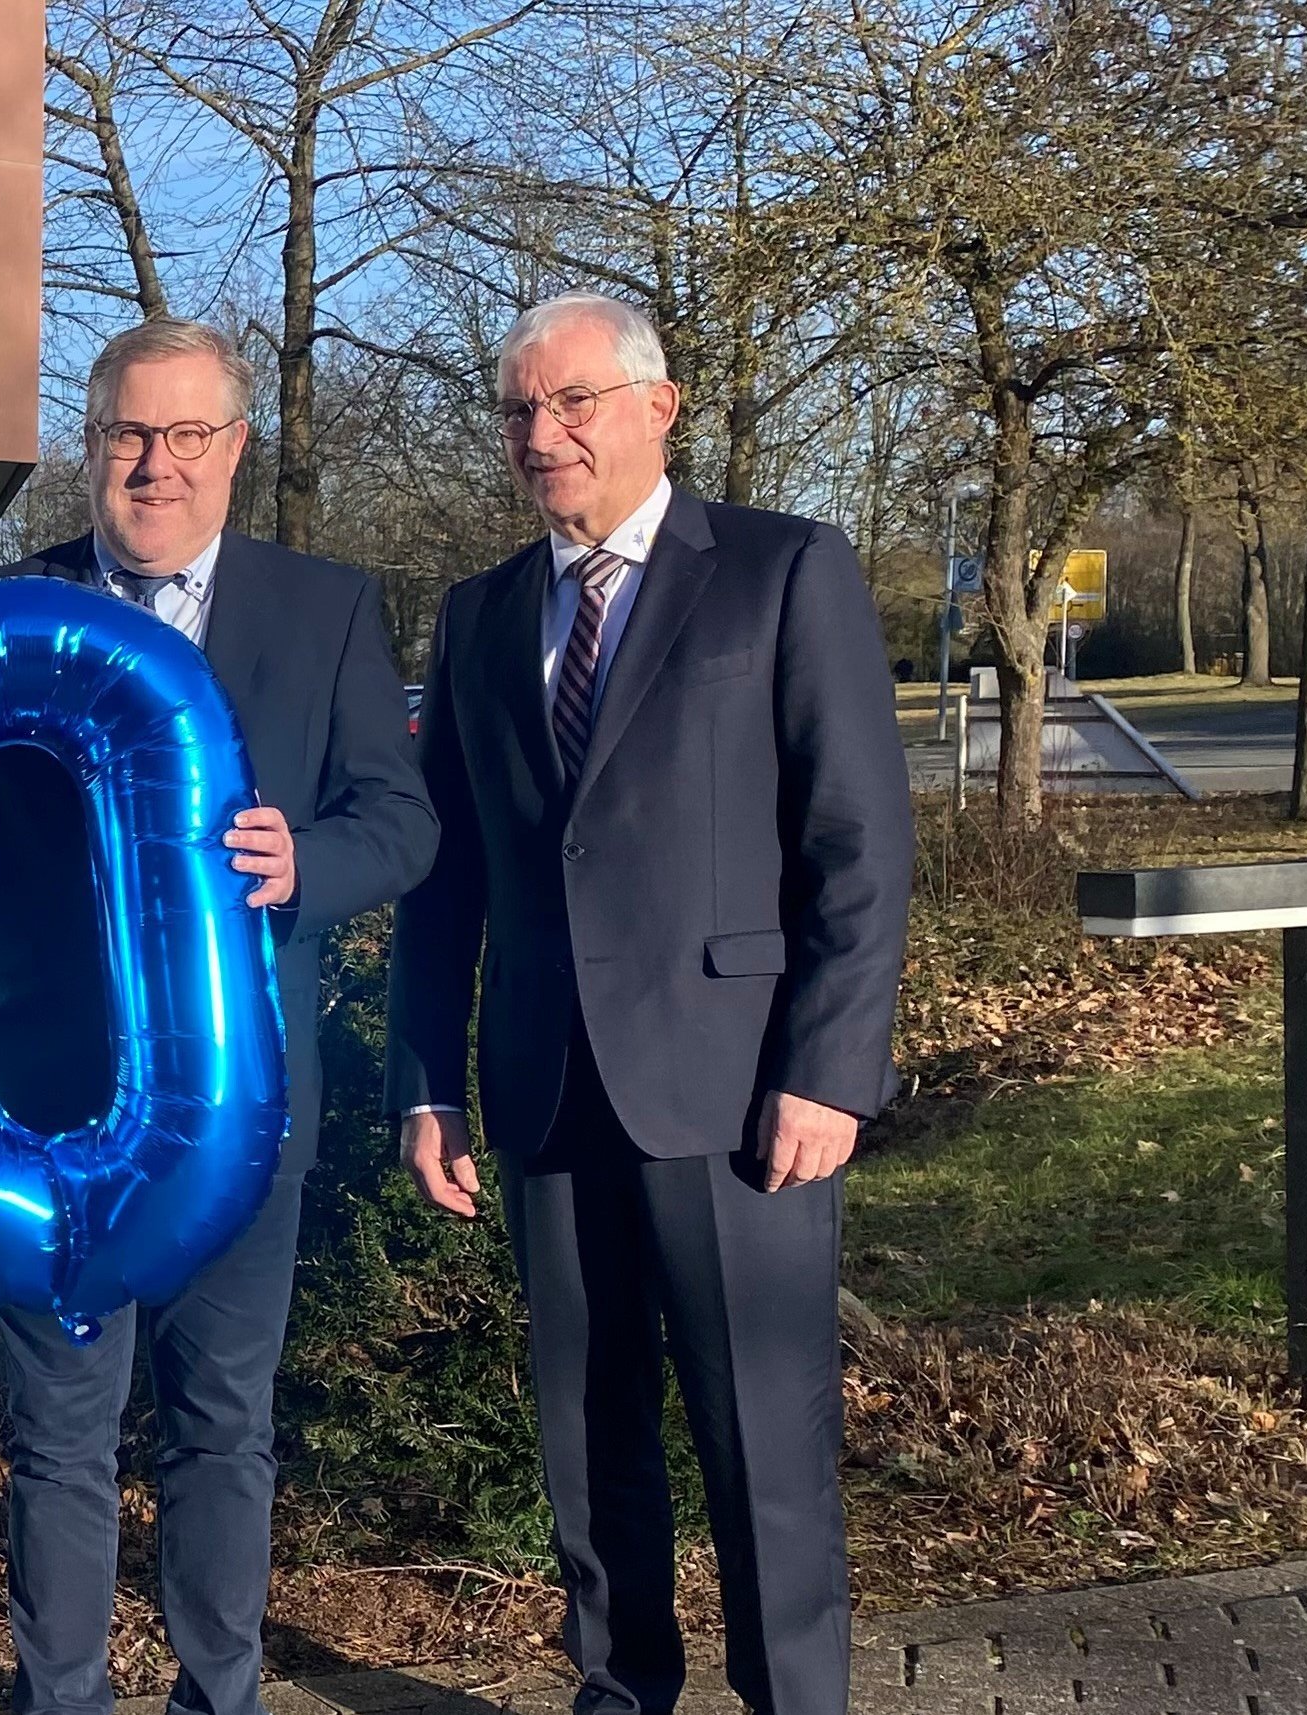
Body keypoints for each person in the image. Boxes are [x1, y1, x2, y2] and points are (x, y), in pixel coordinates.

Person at [0, 316, 435, 1715]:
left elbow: (401, 818)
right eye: (130, 435)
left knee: (221, 1426)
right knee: (63, 1436)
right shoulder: (5, 612)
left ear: (236, 448)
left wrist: (307, 864)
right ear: (91, 447)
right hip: (39, 1107)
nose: (157, 465)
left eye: (187, 435)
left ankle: (222, 1696)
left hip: (246, 1118)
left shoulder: (324, 610)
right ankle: (59, 1700)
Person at [387, 293, 911, 1715]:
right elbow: (446, 882)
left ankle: (793, 1700)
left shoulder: (782, 572)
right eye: (518, 413)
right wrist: (428, 1077)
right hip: (553, 1090)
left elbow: (857, 844)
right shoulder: (484, 615)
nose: (542, 436)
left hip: (742, 1093)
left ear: (657, 406)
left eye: (572, 404)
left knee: (763, 1443)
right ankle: (620, 1695)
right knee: (587, 1427)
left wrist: (831, 1069)